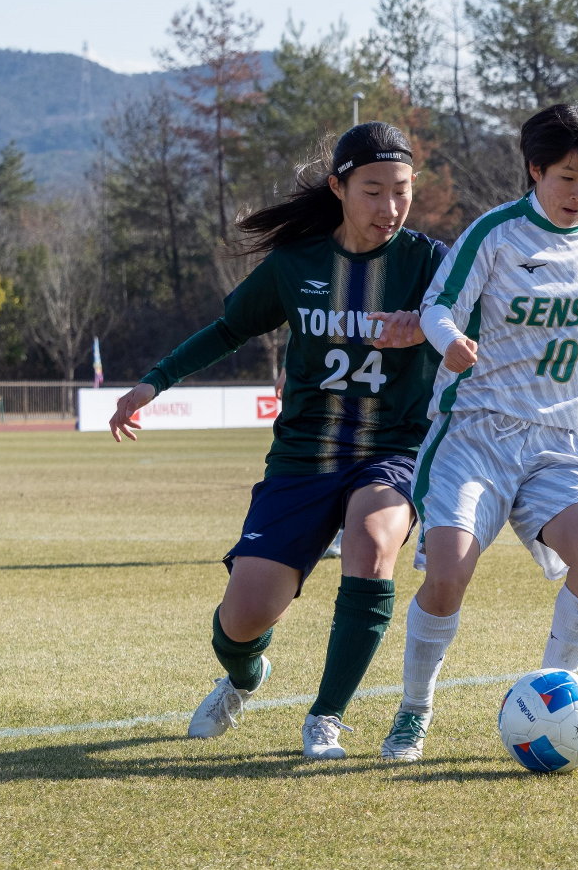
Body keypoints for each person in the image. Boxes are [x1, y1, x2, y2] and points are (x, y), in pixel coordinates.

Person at [109, 122, 447, 760]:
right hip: (302, 459)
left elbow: (477, 331)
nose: (390, 207)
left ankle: (327, 718)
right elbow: (226, 330)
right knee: (243, 619)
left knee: (374, 542)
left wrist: (430, 330)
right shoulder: (297, 265)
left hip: (393, 451)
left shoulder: (432, 263)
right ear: (339, 188)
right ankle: (244, 674)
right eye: (374, 191)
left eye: (401, 190)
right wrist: (151, 384)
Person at [379, 103, 578, 762]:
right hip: (474, 431)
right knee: (447, 573)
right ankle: (414, 709)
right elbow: (438, 305)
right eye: (565, 177)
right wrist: (449, 343)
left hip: (560, 441)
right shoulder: (498, 234)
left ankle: (550, 691)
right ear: (534, 169)